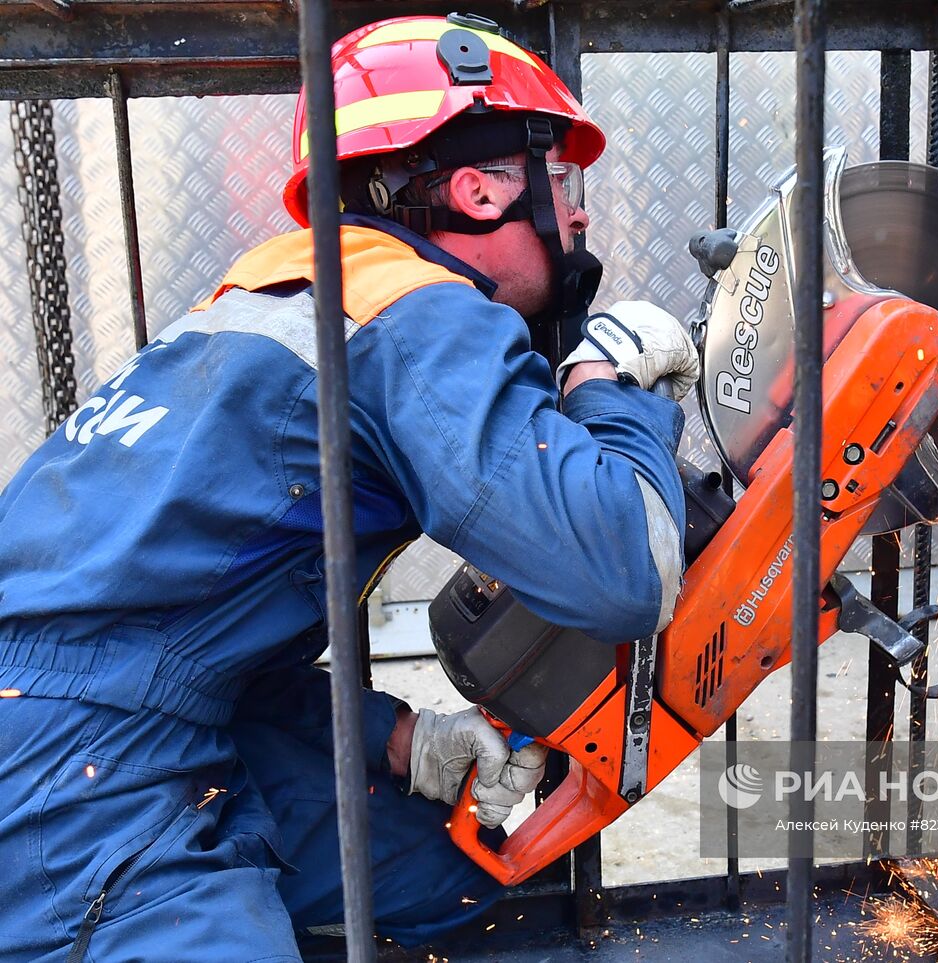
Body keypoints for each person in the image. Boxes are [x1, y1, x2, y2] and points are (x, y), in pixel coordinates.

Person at [0, 12, 698, 960]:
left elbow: (183, 647)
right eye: (563, 182)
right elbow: (624, 570)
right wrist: (604, 382)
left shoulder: (270, 292)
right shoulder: (412, 310)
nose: (577, 215)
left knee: (455, 881)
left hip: (112, 714)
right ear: (480, 191)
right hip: (67, 775)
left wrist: (403, 739)